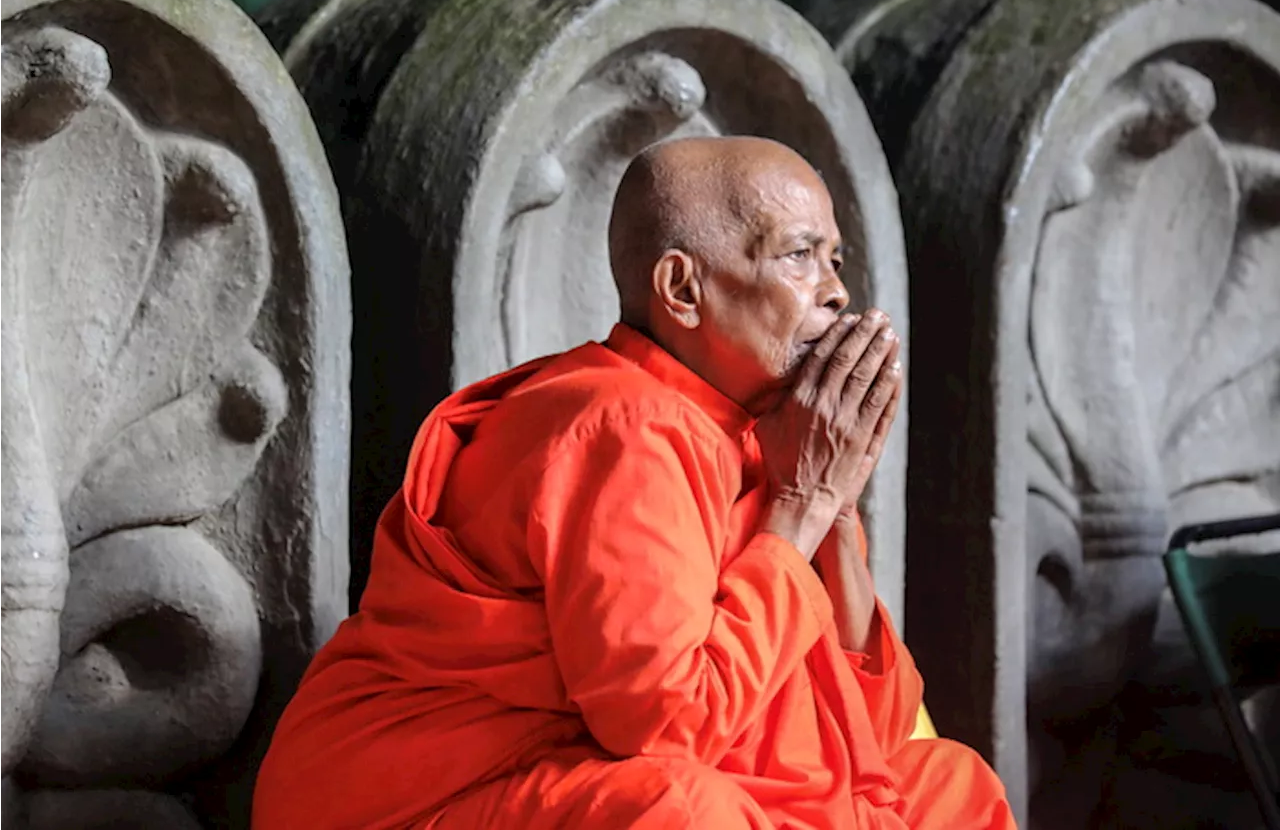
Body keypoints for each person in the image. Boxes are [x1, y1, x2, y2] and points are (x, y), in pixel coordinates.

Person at [253, 136, 1015, 829]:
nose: (835, 292)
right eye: (798, 256)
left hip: (572, 775)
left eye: (836, 262)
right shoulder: (620, 424)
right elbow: (665, 722)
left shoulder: (759, 443)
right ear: (683, 290)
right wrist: (802, 502)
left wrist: (834, 507)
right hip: (413, 798)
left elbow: (872, 732)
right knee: (685, 816)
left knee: (949, 786)